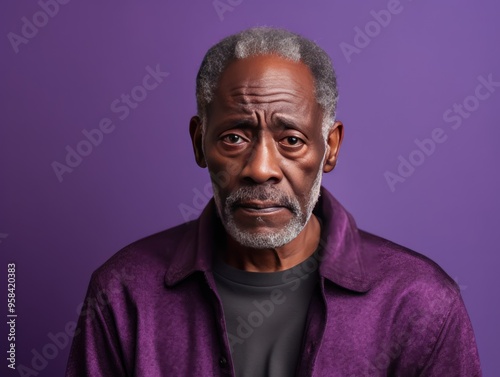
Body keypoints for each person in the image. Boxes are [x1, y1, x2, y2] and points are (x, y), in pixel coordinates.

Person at [65, 27, 481, 376]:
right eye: (234, 137)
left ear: (330, 148)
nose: (261, 168)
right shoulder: (123, 294)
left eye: (291, 140)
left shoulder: (420, 303)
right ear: (199, 143)